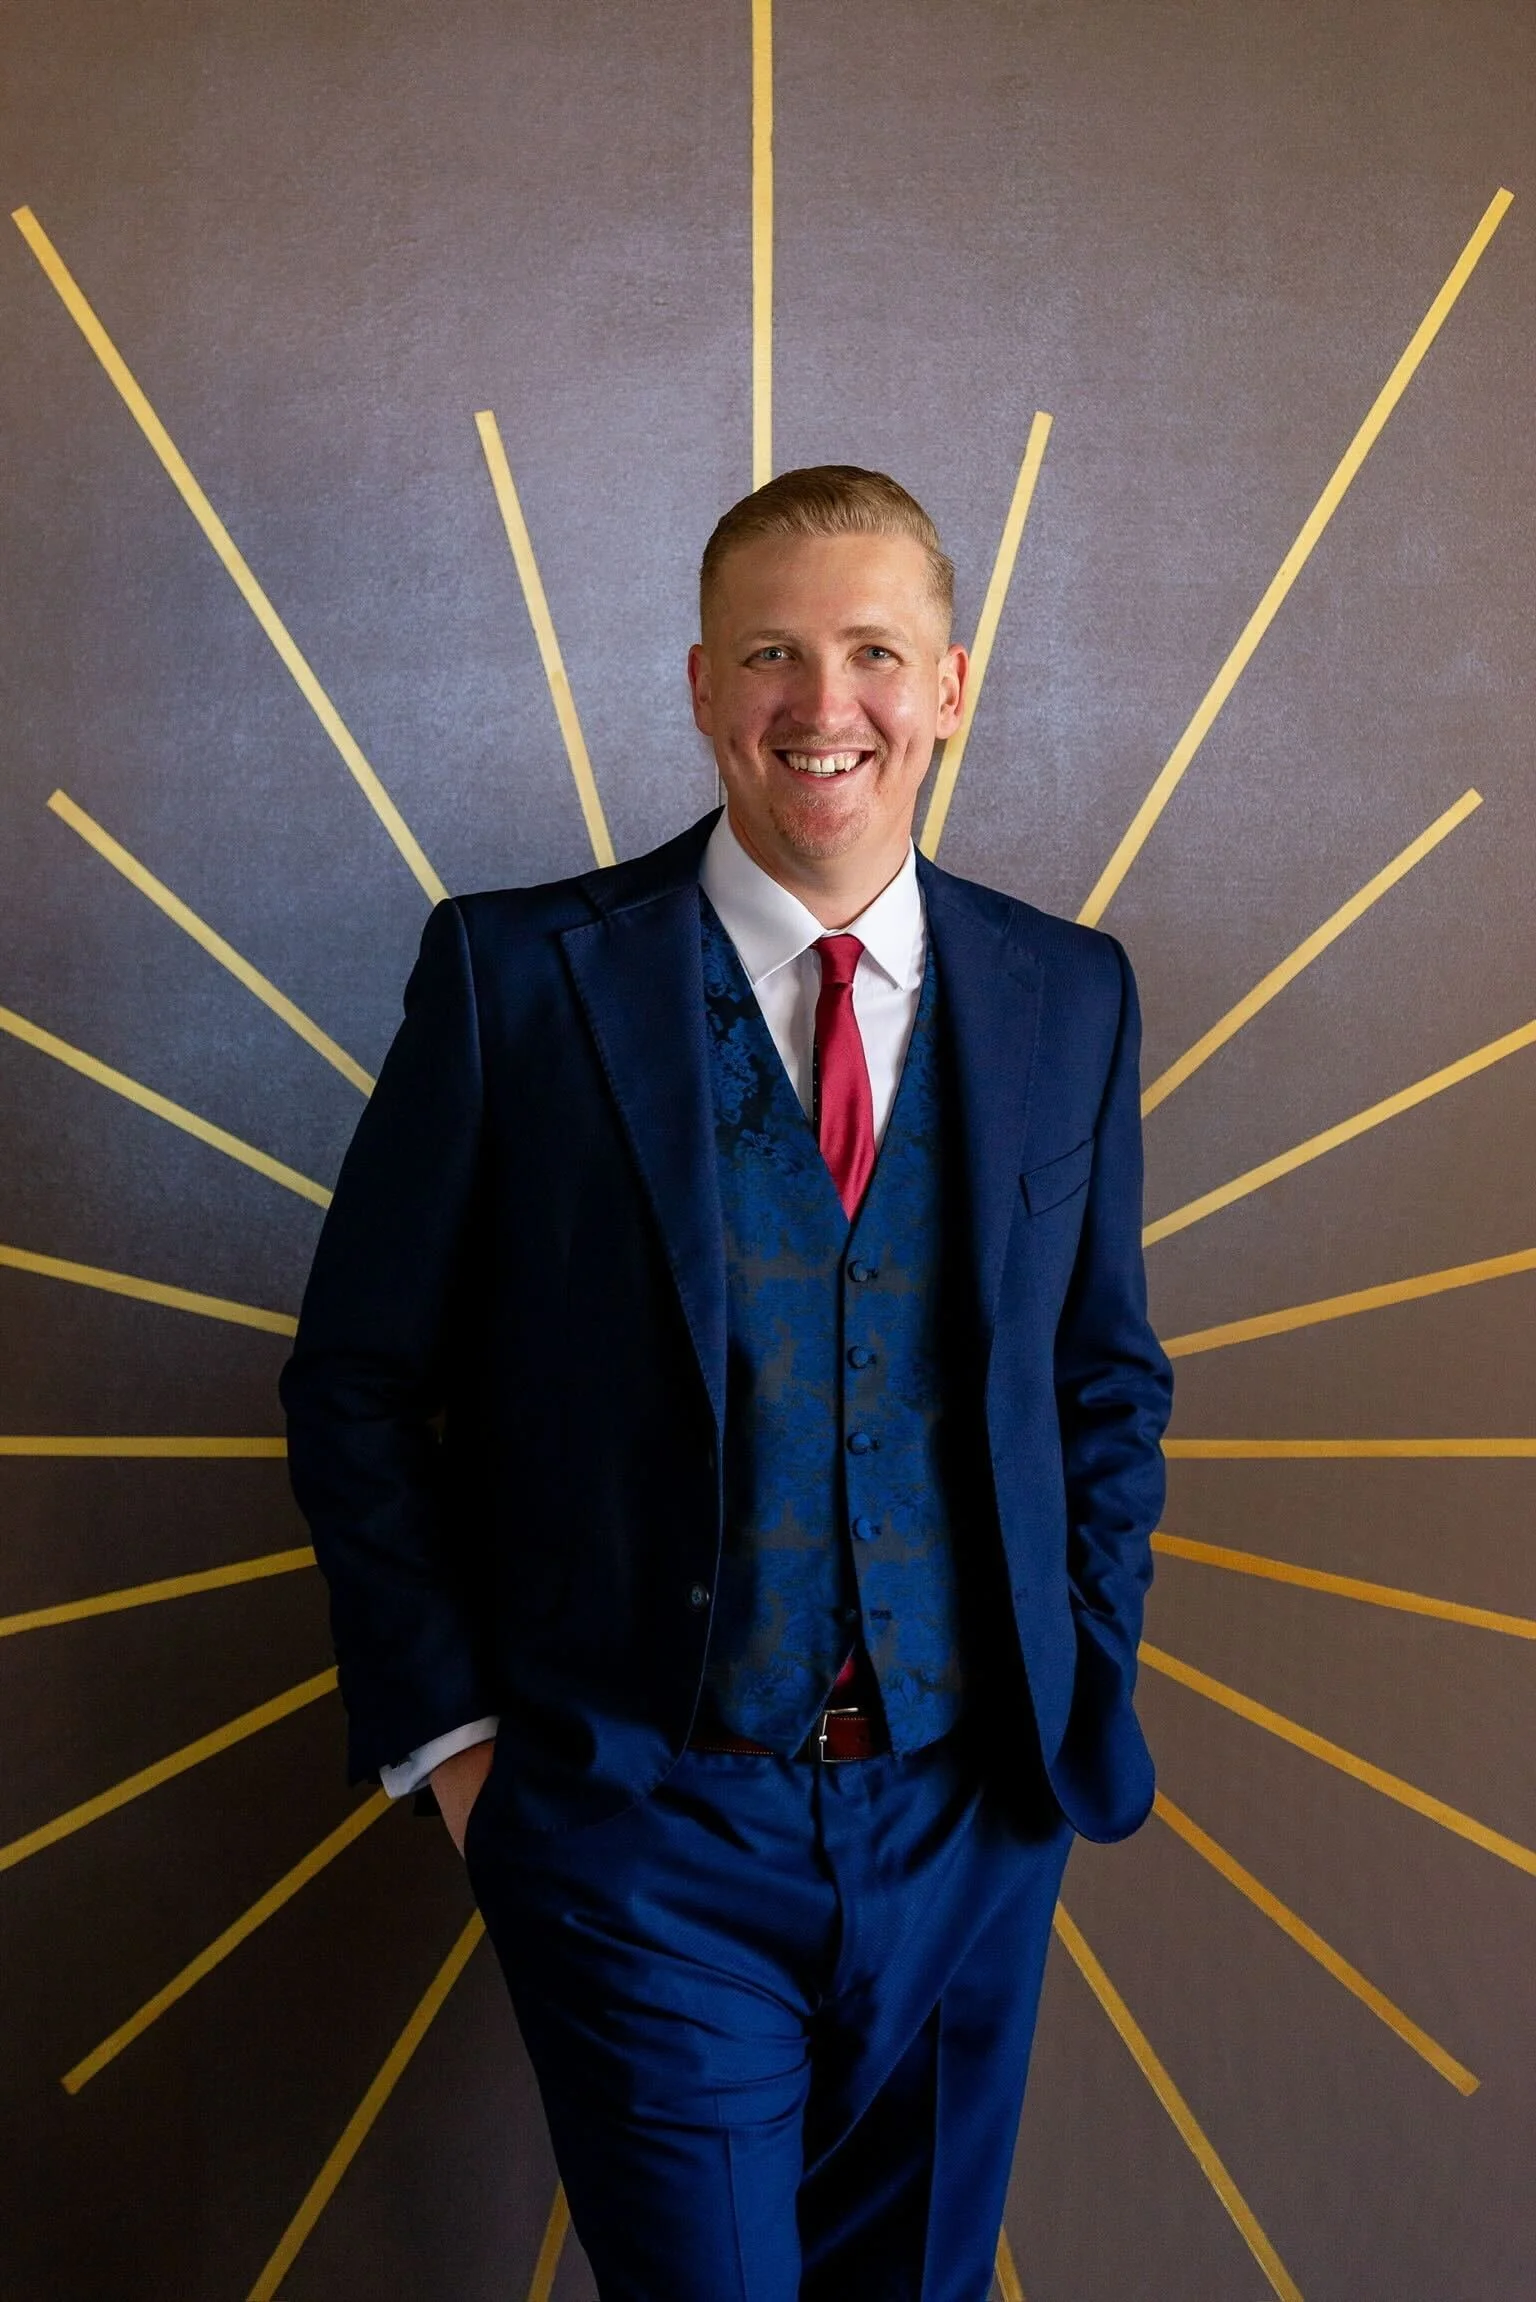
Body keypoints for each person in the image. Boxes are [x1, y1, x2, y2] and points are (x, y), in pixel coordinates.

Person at [281, 465, 1172, 2301]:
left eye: (874, 653)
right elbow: (357, 1380)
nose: (823, 703)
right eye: (773, 653)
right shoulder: (516, 978)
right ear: (702, 686)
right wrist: (459, 1754)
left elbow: (1104, 1381)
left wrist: (1073, 1669)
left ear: (950, 685)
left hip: (971, 1820)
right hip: (641, 1825)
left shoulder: (1068, 993)